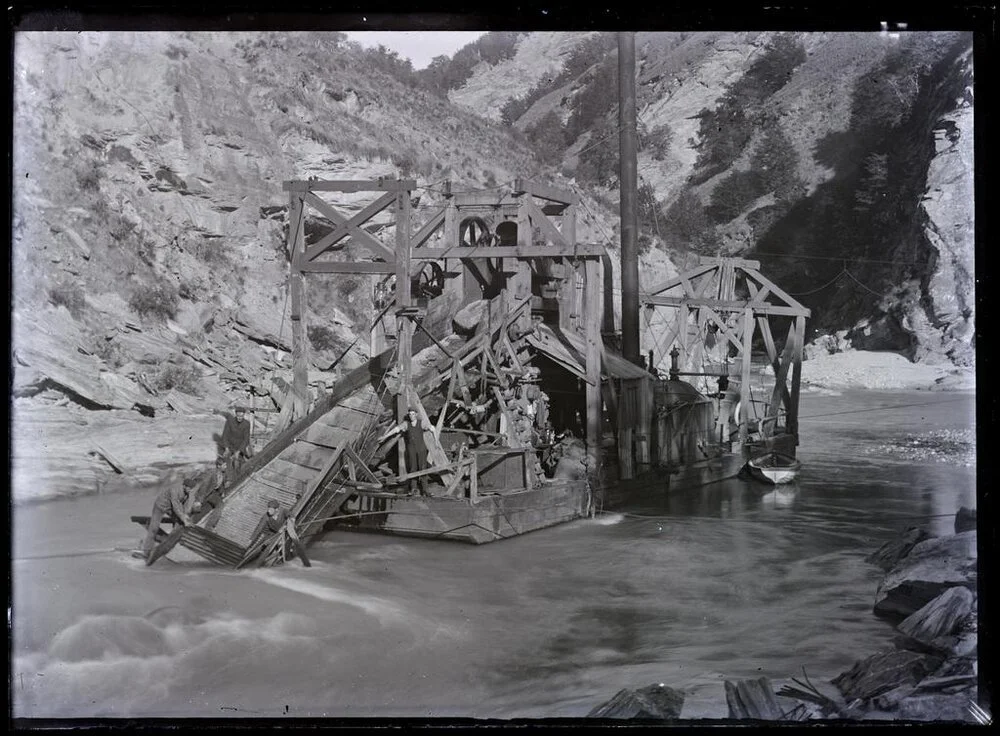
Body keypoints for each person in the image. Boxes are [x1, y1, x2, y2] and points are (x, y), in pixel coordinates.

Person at [139, 471, 194, 561]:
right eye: (189, 488)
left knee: (179, 523)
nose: (191, 490)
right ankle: (146, 552)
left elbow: (185, 507)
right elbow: (176, 507)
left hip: (169, 508)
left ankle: (171, 542)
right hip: (160, 506)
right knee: (154, 528)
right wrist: (183, 518)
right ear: (184, 486)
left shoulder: (187, 494)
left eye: (192, 489)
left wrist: (186, 518)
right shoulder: (175, 490)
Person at [380, 407, 429, 494]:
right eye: (410, 414)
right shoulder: (406, 424)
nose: (411, 416)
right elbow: (396, 430)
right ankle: (413, 489)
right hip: (412, 449)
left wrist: (436, 441)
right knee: (413, 468)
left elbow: (432, 428)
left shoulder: (421, 423)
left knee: (423, 468)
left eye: (413, 414)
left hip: (421, 449)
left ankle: (425, 490)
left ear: (416, 415)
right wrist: (384, 437)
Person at [250, 499, 310, 567]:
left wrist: (288, 524)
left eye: (271, 509)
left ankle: (288, 561)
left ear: (277, 509)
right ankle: (263, 560)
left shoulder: (283, 511)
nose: (268, 510)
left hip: (286, 532)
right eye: (268, 508)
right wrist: (251, 539)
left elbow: (291, 516)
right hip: (274, 533)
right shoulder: (266, 516)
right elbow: (259, 527)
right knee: (266, 544)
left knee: (286, 547)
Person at [188, 456, 228, 529]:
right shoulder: (211, 474)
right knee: (195, 510)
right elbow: (204, 487)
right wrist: (199, 501)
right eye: (224, 465)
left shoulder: (223, 474)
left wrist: (222, 492)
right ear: (219, 466)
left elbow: (221, 484)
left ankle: (210, 525)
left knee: (220, 505)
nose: (226, 467)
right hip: (203, 493)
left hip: (211, 494)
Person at [221, 405, 253, 471]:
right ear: (236, 414)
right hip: (230, 446)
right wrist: (226, 448)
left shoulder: (247, 424)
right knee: (225, 464)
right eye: (238, 416)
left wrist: (239, 451)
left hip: (240, 447)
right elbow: (225, 435)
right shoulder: (230, 422)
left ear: (244, 415)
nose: (240, 418)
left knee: (238, 463)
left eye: (241, 416)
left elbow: (246, 439)